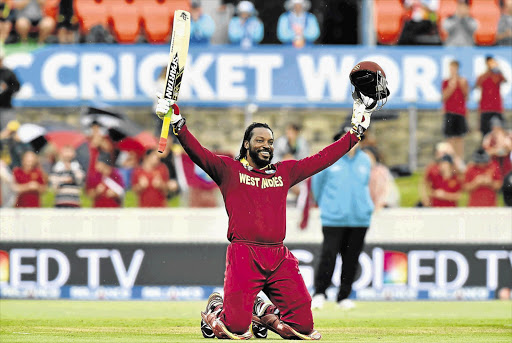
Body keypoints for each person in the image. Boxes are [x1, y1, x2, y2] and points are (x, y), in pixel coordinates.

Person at [155, 85, 380, 340]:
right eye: (260, 140)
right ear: (246, 144)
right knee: (236, 329)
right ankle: (217, 307)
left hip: (278, 256)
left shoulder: (284, 172)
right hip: (244, 255)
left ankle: (262, 310)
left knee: (303, 327)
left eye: (270, 142)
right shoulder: (229, 170)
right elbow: (199, 153)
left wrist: (355, 133)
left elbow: (322, 158)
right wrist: (177, 123)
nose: (266, 145)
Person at [310, 127, 373, 311]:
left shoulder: (365, 160)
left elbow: (365, 186)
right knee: (328, 256)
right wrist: (328, 206)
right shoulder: (330, 159)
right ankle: (320, 293)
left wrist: (366, 207)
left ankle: (343, 296)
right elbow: (317, 187)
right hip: (333, 218)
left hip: (359, 219)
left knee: (351, 258)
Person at [441, 60, 469, 162]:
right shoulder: (446, 82)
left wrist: (461, 84)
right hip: (449, 112)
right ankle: (450, 159)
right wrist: (451, 87)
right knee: (450, 137)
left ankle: (459, 159)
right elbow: (444, 97)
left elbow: (466, 95)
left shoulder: (462, 81)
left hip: (460, 112)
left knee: (459, 137)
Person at [476, 56, 507, 138]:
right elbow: (478, 85)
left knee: (499, 132)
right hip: (485, 108)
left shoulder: (498, 75)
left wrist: (497, 70)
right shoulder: (483, 76)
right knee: (485, 133)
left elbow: (504, 80)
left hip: (496, 107)